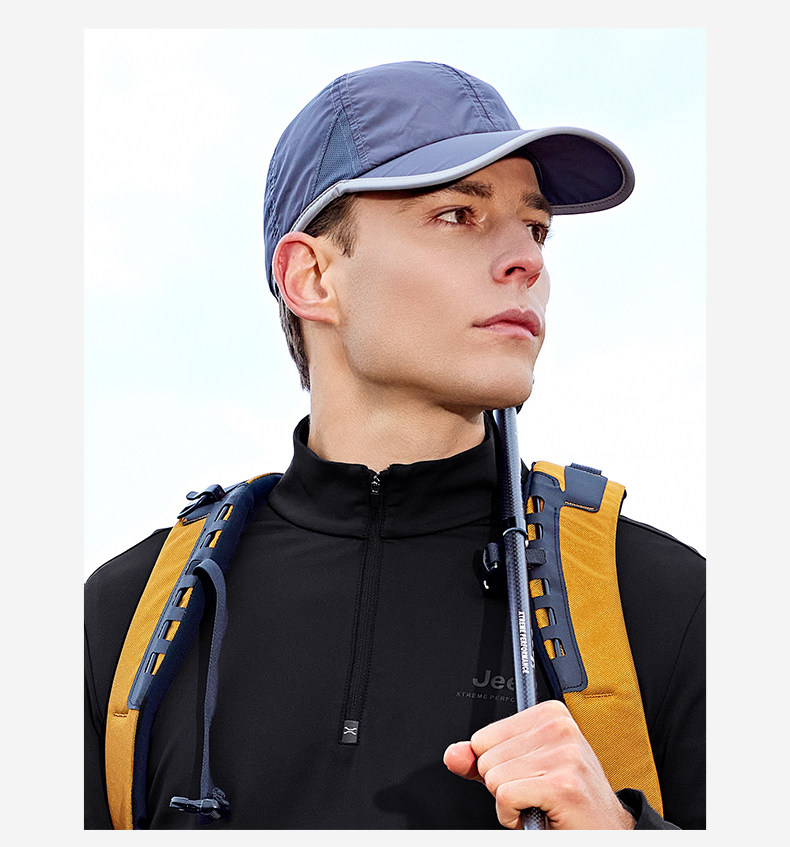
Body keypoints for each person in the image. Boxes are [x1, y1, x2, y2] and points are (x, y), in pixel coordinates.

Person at [84, 60, 705, 830]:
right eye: (458, 214)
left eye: (536, 227)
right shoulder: (119, 622)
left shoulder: (668, 603)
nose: (530, 260)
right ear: (312, 277)